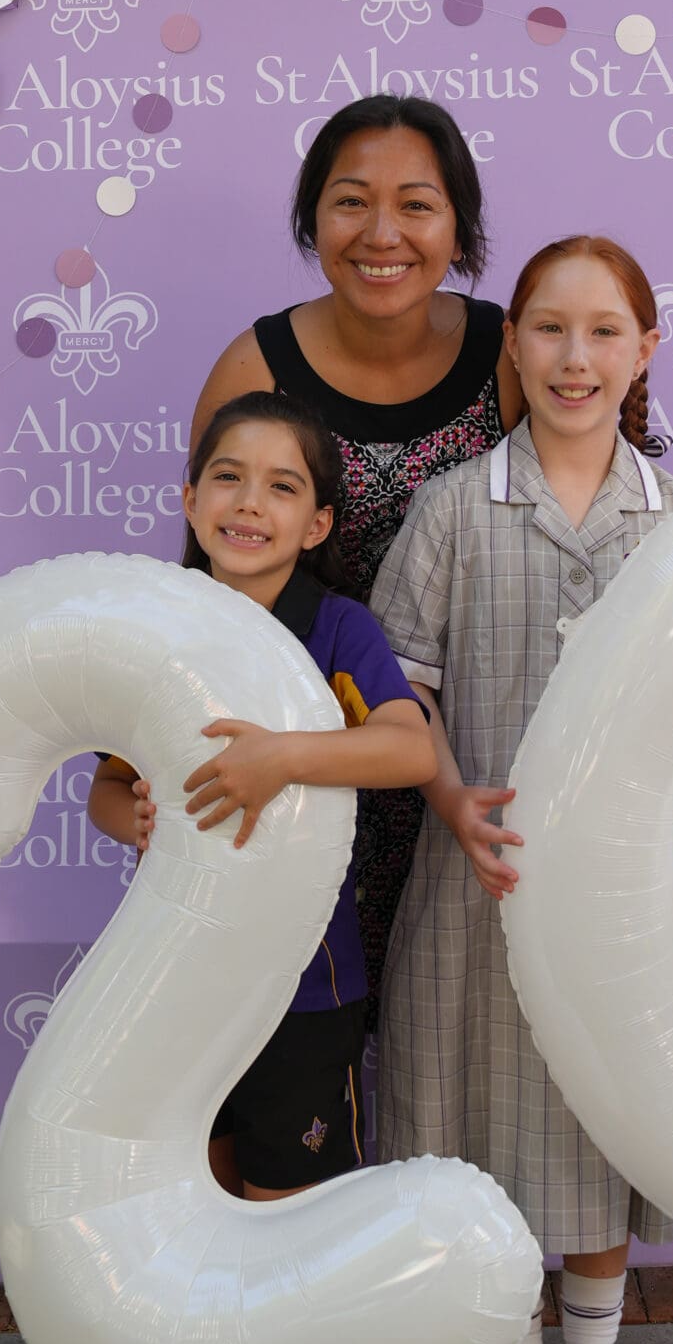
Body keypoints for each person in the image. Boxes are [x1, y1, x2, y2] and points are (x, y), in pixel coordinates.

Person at [370, 236, 673, 1344]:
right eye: (546, 328)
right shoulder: (452, 511)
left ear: (645, 349)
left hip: (618, 905)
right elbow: (399, 696)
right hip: (474, 888)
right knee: (477, 1131)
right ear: (511, 347)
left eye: (602, 331)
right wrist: (448, 795)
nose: (573, 357)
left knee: (596, 1125)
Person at [90, 389, 438, 1344]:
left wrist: (284, 756)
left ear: (318, 522)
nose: (250, 503)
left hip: (305, 985)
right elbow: (107, 789)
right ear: (191, 499)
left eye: (282, 486)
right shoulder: (154, 624)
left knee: (292, 1205)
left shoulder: (335, 629)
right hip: (174, 982)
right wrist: (132, 816)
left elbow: (406, 749)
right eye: (228, 479)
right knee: (198, 1194)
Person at [192, 96, 521, 1007]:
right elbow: (205, 582)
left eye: (416, 204)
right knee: (290, 1031)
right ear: (312, 218)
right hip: (302, 759)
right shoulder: (256, 367)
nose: (382, 234)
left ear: (458, 225)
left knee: (457, 1023)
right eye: (349, 202)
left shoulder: (506, 356)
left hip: (471, 757)